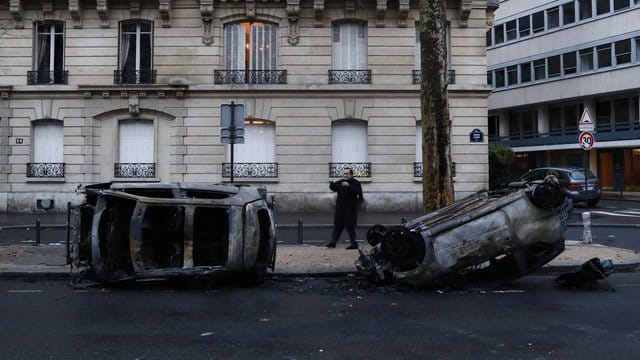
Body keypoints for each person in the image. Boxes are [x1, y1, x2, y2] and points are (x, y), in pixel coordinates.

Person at [326, 167, 364, 250]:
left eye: (347, 174)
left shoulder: (355, 183)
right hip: (340, 209)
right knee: (337, 226)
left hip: (350, 209)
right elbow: (333, 188)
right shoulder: (341, 182)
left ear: (351, 174)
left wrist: (349, 186)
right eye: (344, 173)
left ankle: (354, 243)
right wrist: (332, 183)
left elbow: (357, 192)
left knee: (350, 227)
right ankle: (333, 242)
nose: (345, 175)